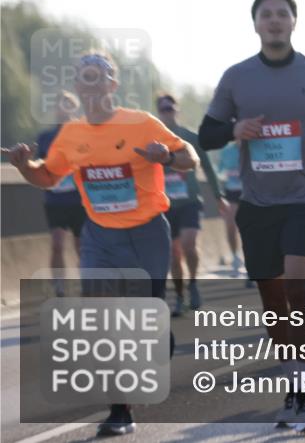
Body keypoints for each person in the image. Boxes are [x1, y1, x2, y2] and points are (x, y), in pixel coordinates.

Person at [3, 52, 199, 436]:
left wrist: (168, 156)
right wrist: (25, 165)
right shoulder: (72, 134)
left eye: (97, 77)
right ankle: (119, 411)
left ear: (113, 84)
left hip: (147, 233)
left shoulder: (141, 123)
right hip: (99, 236)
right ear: (77, 86)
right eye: (82, 78)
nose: (89, 84)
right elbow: (47, 177)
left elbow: (188, 157)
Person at [199, 0, 305, 433]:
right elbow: (207, 135)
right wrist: (235, 128)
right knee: (274, 305)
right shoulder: (237, 77)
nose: (274, 21)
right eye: (266, 15)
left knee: (297, 285)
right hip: (258, 203)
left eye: (281, 14)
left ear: (293, 22)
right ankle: (291, 388)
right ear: (255, 25)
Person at [156, 92, 228, 315]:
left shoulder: (190, 138)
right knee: (173, 253)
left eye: (170, 108)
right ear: (158, 113)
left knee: (188, 244)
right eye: (163, 109)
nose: (167, 112)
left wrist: (218, 195)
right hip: (165, 205)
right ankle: (179, 296)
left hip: (189, 201)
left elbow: (207, 167)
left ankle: (193, 284)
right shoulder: (152, 140)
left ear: (177, 110)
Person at [36, 91, 86, 279]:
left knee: (81, 247)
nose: (61, 108)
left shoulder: (83, 134)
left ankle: (86, 287)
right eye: (58, 104)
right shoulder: (45, 137)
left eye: (66, 104)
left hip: (79, 201)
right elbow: (39, 166)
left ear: (74, 107)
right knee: (57, 245)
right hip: (55, 200)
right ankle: (59, 289)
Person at [216, 139, 245, 277]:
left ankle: (252, 258)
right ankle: (235, 257)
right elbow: (219, 172)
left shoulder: (255, 147)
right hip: (231, 192)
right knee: (230, 225)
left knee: (250, 228)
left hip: (251, 192)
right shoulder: (227, 151)